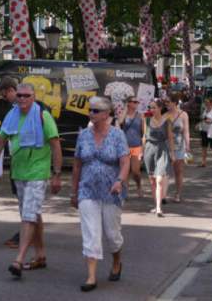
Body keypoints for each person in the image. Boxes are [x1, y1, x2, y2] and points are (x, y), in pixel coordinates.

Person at [0, 83, 62, 279]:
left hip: (38, 172)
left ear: (34, 97)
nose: (23, 99)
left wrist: (57, 174)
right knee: (33, 214)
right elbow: (0, 142)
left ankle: (19, 258)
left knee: (28, 216)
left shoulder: (43, 116)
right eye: (20, 96)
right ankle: (40, 255)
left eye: (27, 96)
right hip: (18, 172)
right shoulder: (12, 116)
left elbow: (56, 145)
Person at [71, 96, 129, 292]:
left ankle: (117, 261)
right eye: (90, 110)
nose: (91, 114)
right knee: (91, 233)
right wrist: (74, 191)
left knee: (112, 236)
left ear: (106, 114)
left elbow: (125, 162)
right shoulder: (84, 135)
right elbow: (77, 165)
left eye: (95, 111)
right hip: (87, 190)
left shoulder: (117, 135)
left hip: (111, 192)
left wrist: (120, 181)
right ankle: (91, 276)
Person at [0, 76, 22, 249]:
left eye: (5, 96)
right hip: (15, 158)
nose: (4, 100)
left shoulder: (20, 108)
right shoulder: (13, 109)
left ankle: (25, 234)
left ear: (11, 90)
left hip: (23, 160)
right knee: (22, 199)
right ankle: (26, 232)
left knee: (25, 200)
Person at [143, 99, 175, 217]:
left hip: (162, 149)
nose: (151, 110)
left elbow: (170, 138)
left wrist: (172, 153)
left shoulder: (167, 121)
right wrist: (142, 151)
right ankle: (156, 204)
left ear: (160, 108)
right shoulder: (146, 120)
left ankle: (158, 208)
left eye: (154, 107)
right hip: (149, 150)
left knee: (159, 179)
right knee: (152, 181)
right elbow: (144, 137)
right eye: (150, 107)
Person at [164, 94, 191, 202]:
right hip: (167, 145)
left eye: (168, 102)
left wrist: (188, 145)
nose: (166, 104)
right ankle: (163, 194)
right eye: (165, 102)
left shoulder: (183, 115)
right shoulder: (165, 115)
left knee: (178, 171)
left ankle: (178, 193)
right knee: (165, 170)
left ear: (175, 103)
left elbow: (186, 131)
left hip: (180, 145)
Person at [117, 96, 145, 197]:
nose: (136, 104)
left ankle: (139, 186)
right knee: (125, 170)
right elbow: (119, 122)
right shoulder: (124, 114)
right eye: (134, 102)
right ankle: (125, 191)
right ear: (128, 103)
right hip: (125, 146)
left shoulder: (140, 116)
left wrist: (143, 147)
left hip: (136, 145)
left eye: (137, 102)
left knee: (135, 171)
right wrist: (125, 110)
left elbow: (144, 132)